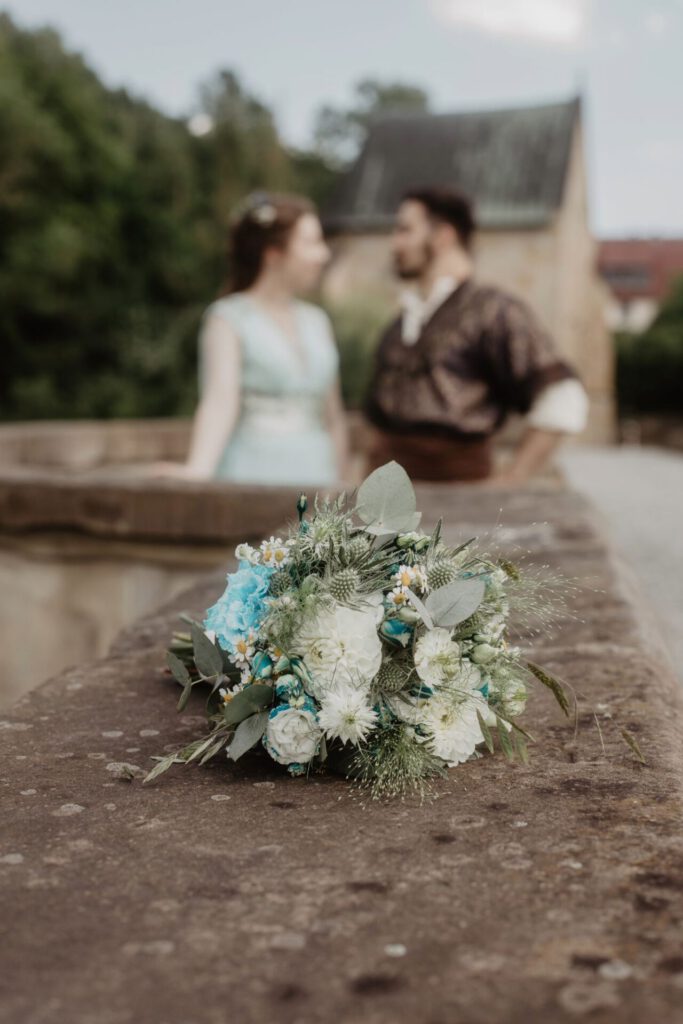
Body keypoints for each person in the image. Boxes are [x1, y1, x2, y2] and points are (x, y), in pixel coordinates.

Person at [364, 185, 589, 484]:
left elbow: (563, 398)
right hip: (387, 499)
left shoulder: (494, 311)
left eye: (405, 230)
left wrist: (510, 479)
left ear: (443, 236)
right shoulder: (402, 322)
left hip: (460, 495)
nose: (395, 243)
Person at [160, 192, 349, 485]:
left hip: (318, 476)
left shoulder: (318, 321)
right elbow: (220, 403)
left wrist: (339, 489)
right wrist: (198, 470)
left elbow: (333, 416)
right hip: (252, 473)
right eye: (312, 243)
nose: (323, 254)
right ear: (273, 254)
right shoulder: (227, 318)